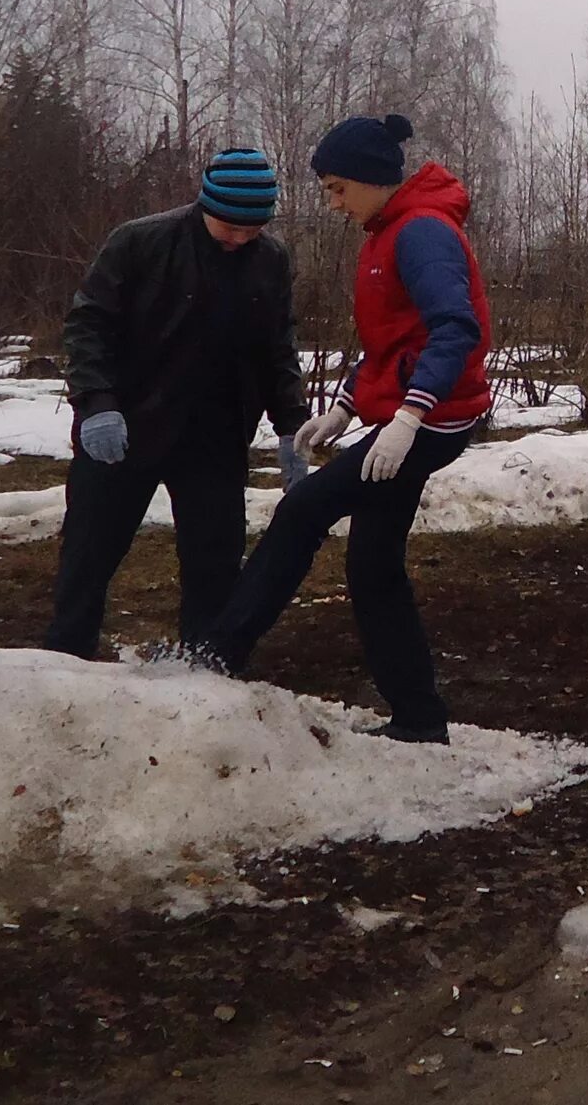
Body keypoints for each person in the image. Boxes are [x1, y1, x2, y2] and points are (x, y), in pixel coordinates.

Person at [194, 114, 492, 743]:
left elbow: (455, 329)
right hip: (413, 418)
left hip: (434, 421)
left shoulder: (421, 236)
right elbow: (394, 344)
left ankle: (218, 655)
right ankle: (418, 719)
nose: (333, 203)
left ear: (371, 179)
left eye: (337, 188)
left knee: (305, 508)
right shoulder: (388, 234)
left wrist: (411, 415)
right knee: (374, 565)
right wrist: (350, 406)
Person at [44, 148, 310, 660]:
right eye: (230, 226)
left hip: (216, 436)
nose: (239, 239)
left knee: (214, 561)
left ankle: (206, 666)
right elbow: (88, 325)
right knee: (89, 553)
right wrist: (97, 402)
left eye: (251, 229)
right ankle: (65, 659)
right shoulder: (140, 241)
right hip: (126, 428)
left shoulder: (270, 260)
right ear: (206, 205)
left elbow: (276, 347)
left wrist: (290, 426)